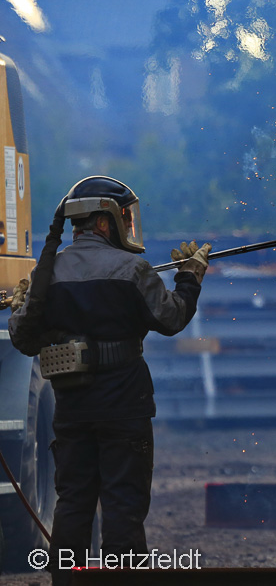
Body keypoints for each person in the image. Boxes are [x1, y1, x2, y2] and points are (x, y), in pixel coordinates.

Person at [7, 176, 210, 584]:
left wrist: (21, 302)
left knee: (73, 504)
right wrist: (190, 276)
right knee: (122, 507)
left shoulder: (49, 275)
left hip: (73, 410)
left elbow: (22, 337)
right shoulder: (132, 269)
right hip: (124, 408)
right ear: (105, 222)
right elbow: (172, 318)